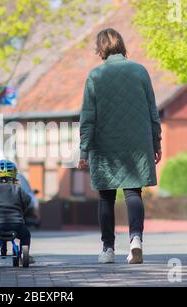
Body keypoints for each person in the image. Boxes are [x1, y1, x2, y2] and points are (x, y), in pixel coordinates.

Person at [78, 28, 162, 264]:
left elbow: (88, 118)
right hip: (137, 143)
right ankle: (136, 240)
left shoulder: (95, 76)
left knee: (106, 197)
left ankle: (108, 249)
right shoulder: (140, 71)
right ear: (122, 44)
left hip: (105, 146)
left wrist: (84, 149)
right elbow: (152, 111)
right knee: (133, 191)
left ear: (101, 48)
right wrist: (156, 141)